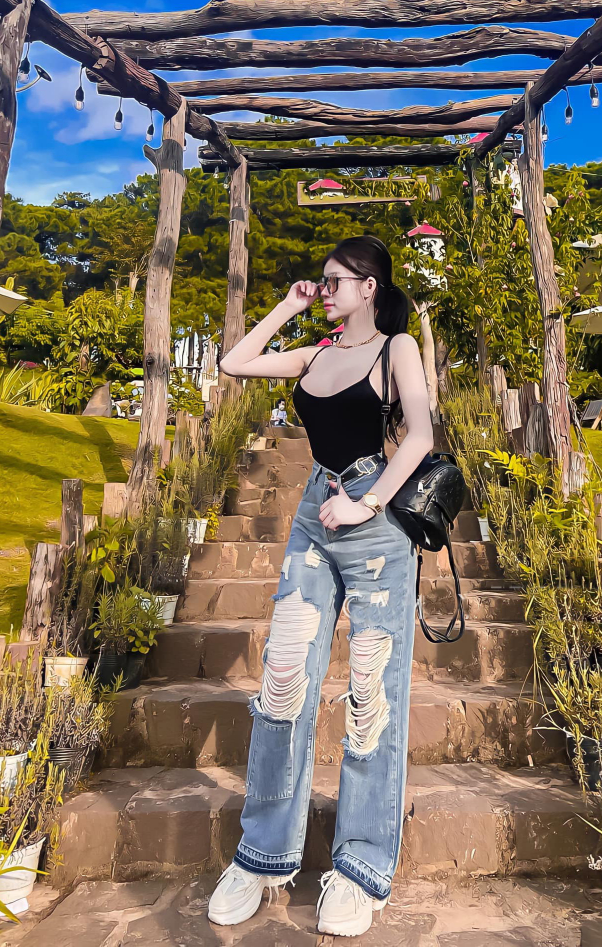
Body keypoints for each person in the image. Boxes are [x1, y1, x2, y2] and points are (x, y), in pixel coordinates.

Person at [212, 234, 433, 936]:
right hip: (314, 515)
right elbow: (233, 362)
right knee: (283, 677)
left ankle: (361, 868)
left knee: (370, 693)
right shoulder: (315, 354)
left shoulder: (396, 348)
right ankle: (261, 855)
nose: (325, 289)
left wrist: (368, 503)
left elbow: (421, 435)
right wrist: (287, 304)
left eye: (336, 280)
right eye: (322, 280)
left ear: (370, 287)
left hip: (373, 526)